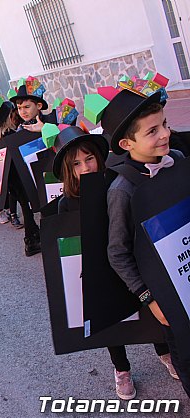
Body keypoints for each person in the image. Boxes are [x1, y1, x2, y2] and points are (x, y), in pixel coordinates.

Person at [53, 125, 177, 399]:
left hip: (127, 260)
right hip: (98, 270)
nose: (85, 167)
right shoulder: (66, 204)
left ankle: (164, 351)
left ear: (99, 157)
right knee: (111, 323)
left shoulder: (116, 184)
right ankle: (121, 369)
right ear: (67, 169)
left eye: (89, 159)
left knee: (147, 310)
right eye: (76, 163)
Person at [103, 86, 190, 397]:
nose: (165, 134)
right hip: (166, 293)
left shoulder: (178, 159)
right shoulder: (123, 190)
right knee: (184, 350)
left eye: (164, 124)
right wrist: (149, 298)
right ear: (127, 143)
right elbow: (118, 253)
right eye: (152, 131)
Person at [0, 99, 41, 256]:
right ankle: (30, 241)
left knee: (25, 207)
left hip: (7, 183)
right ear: (8, 118)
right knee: (27, 208)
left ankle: (35, 233)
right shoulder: (10, 136)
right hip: (19, 178)